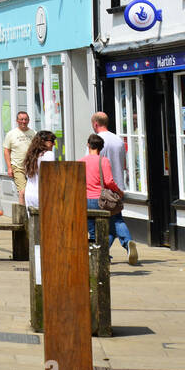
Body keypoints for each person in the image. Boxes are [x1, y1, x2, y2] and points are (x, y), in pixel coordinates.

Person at [82, 133, 138, 264]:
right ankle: (105, 253)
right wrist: (119, 191)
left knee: (92, 231)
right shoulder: (103, 161)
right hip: (101, 201)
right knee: (110, 227)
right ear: (101, 148)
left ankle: (97, 257)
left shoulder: (81, 161)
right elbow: (108, 181)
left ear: (88, 145)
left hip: (85, 199)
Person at [3, 112, 36, 206]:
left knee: (32, 192)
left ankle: (31, 214)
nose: (24, 121)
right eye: (21, 119)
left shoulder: (33, 133)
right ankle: (23, 216)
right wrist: (9, 167)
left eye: (26, 119)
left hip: (31, 167)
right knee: (23, 192)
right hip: (18, 166)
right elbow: (6, 151)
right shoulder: (11, 134)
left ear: (29, 120)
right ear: (17, 121)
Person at [91, 112, 127, 191]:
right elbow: (124, 166)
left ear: (95, 124)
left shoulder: (95, 141)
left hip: (102, 192)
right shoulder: (119, 140)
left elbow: (90, 166)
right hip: (119, 190)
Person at [21, 130, 57, 210]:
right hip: (43, 194)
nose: (54, 144)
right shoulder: (49, 154)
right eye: (52, 141)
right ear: (43, 142)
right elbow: (50, 175)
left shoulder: (31, 156)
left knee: (33, 221)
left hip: (29, 194)